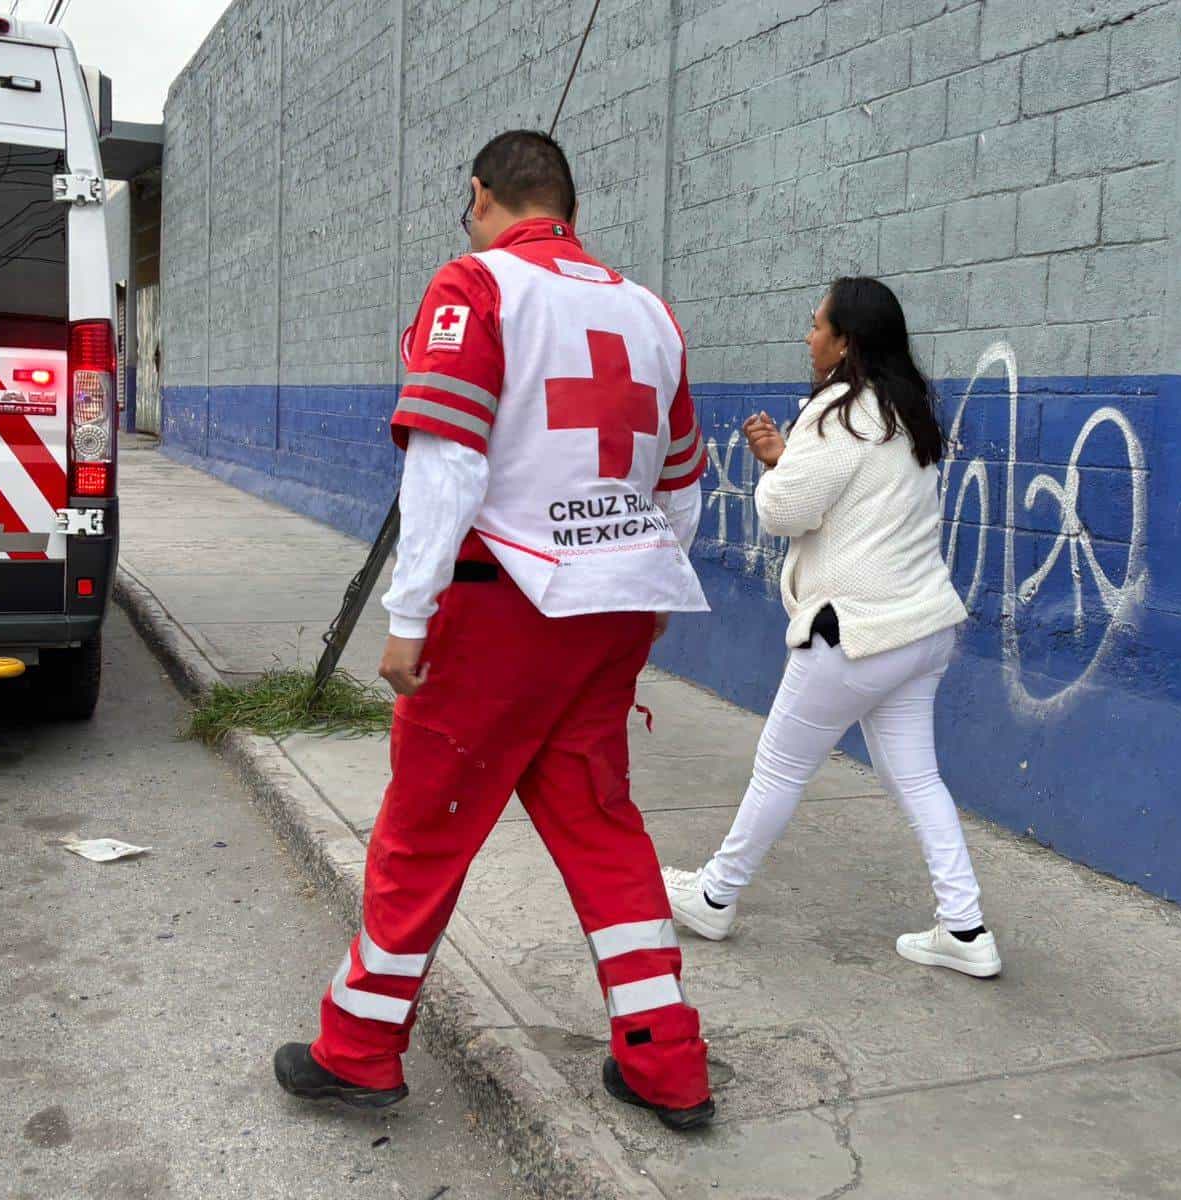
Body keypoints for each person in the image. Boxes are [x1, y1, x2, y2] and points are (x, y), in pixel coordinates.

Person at [273, 131, 716, 1130]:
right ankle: (666, 1063)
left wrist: (409, 612)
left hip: (496, 609)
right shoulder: (650, 313)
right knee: (603, 830)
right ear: (566, 201)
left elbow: (448, 461)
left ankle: (358, 1050)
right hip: (611, 608)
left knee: (423, 832)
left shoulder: (475, 288)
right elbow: (682, 492)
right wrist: (639, 603)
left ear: (480, 196)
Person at [661, 277, 1001, 978]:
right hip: (922, 629)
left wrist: (775, 468)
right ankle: (965, 930)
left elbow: (785, 514)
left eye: (816, 325)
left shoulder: (836, 414)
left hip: (855, 632)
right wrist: (790, 462)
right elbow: (854, 499)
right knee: (918, 779)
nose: (807, 336)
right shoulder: (911, 413)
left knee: (781, 766)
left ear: (845, 341)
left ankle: (716, 896)